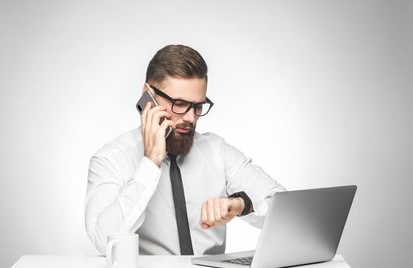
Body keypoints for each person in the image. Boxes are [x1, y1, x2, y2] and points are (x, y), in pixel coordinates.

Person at [85, 44, 285, 256]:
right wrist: (150, 163)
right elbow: (104, 239)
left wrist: (241, 204)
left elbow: (285, 211)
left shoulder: (217, 151)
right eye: (179, 104)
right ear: (148, 96)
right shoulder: (111, 159)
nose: (191, 118)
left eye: (198, 106)